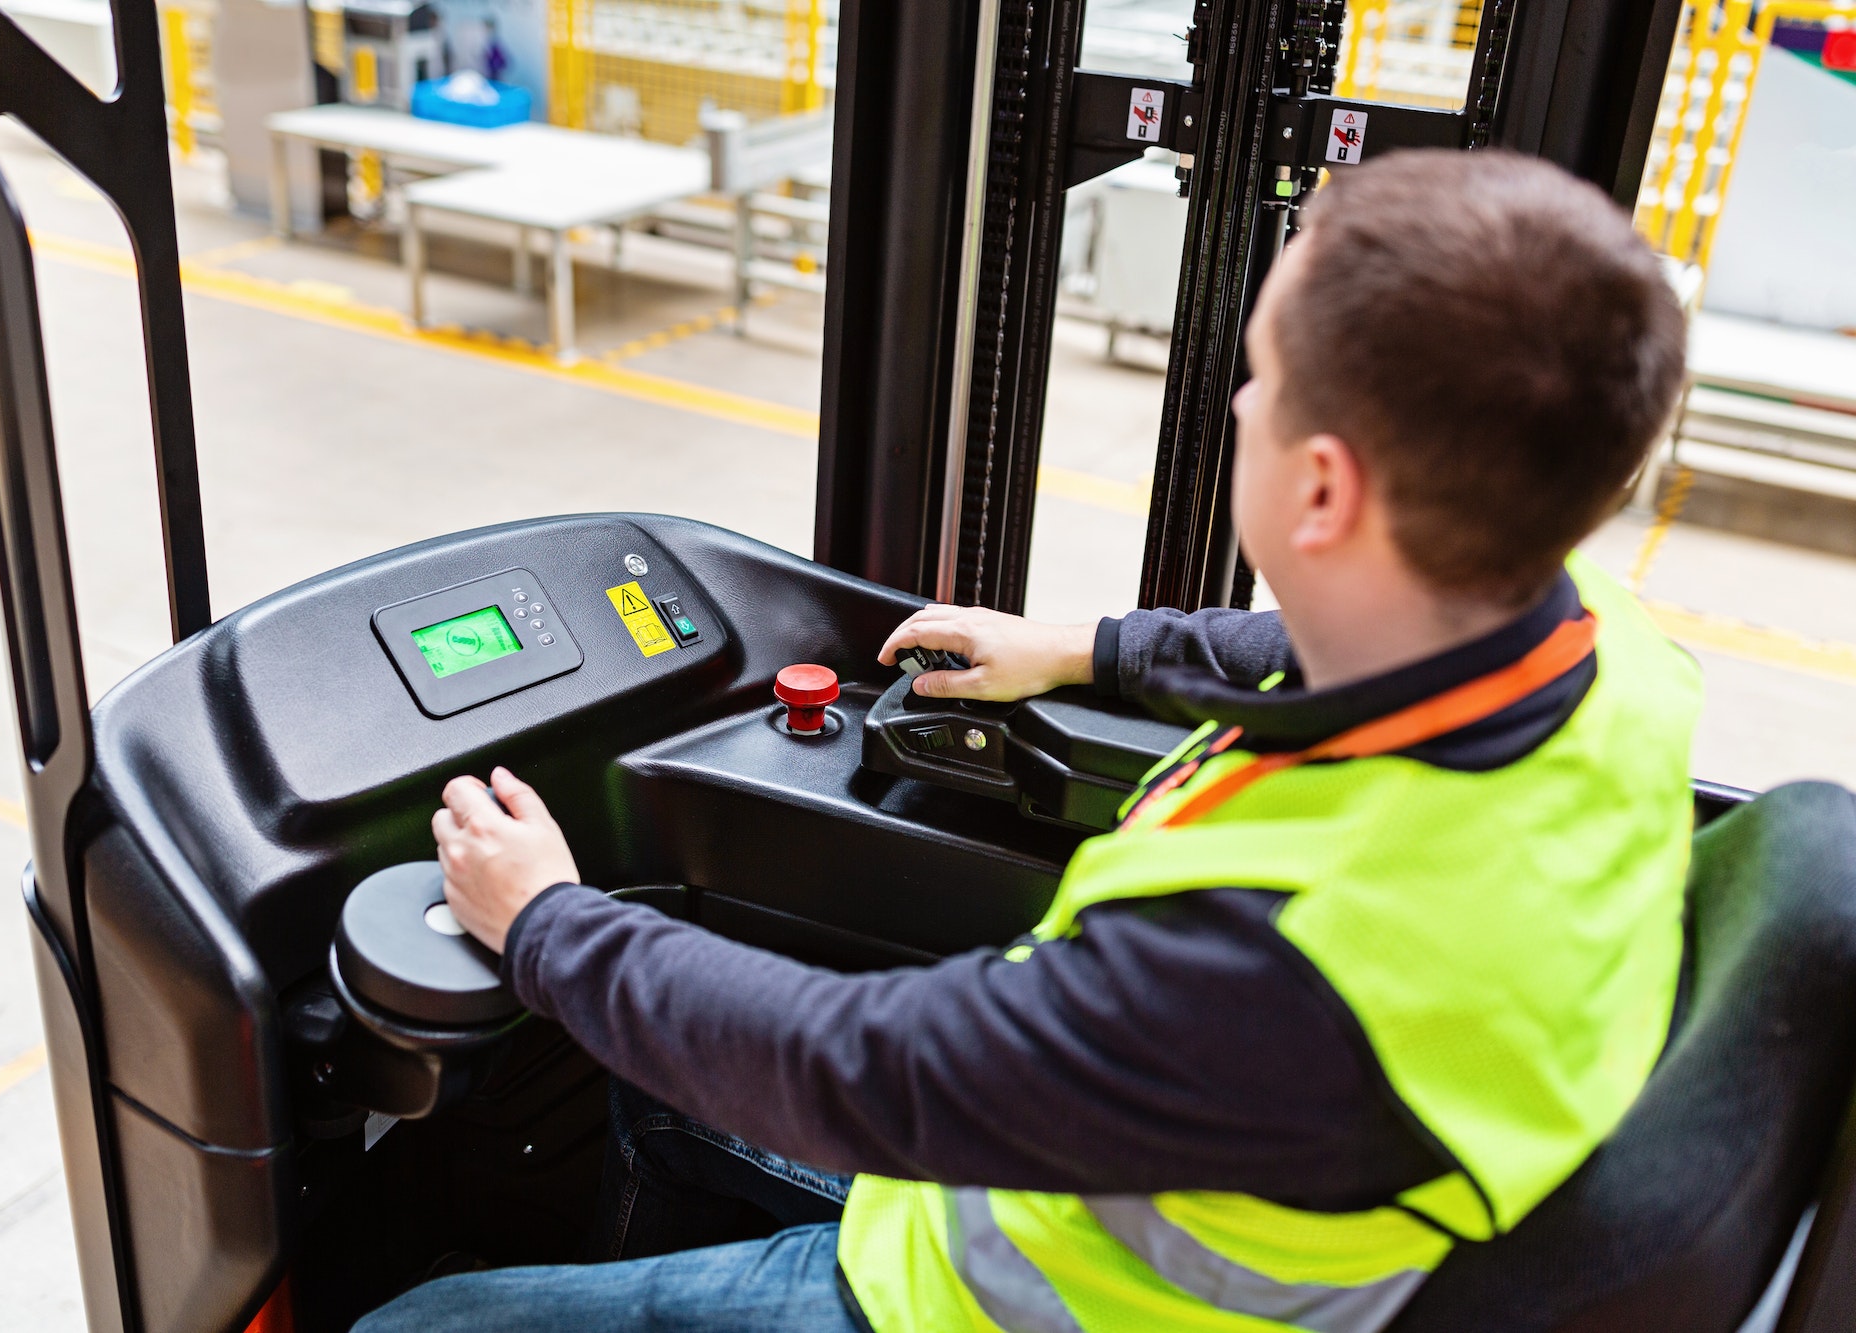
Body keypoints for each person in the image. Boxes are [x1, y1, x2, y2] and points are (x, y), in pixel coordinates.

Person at [354, 148, 1697, 1333]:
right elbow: (1298, 645)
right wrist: (1083, 649)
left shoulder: (1280, 951)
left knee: (411, 1323)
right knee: (651, 1095)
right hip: (1157, 1185)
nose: (1237, 404)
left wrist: (546, 921)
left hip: (1012, 1301)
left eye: (1264, 381)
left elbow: (857, 1068)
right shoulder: (1608, 655)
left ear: (1325, 485)